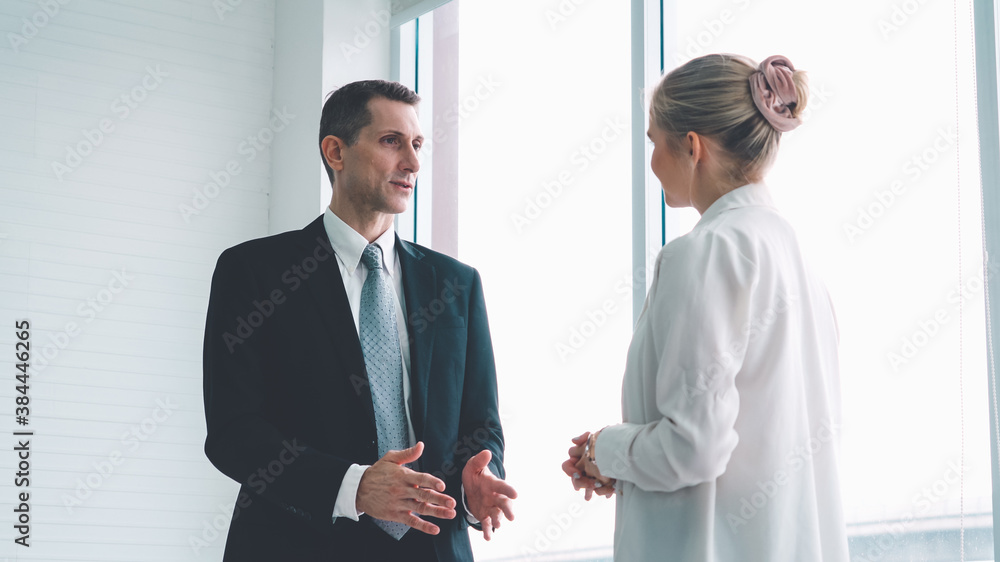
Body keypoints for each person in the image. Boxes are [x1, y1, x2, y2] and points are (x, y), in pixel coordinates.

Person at [203, 79, 516, 561]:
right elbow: (234, 432)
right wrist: (354, 486)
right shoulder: (254, 272)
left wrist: (481, 474)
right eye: (392, 142)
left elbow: (481, 422)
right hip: (295, 545)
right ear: (336, 151)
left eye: (417, 145)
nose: (412, 163)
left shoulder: (456, 283)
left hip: (433, 548)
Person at [562, 54, 849, 560]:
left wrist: (603, 448)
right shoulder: (799, 260)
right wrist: (620, 463)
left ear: (692, 147)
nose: (651, 162)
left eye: (653, 142)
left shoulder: (705, 252)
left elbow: (691, 449)